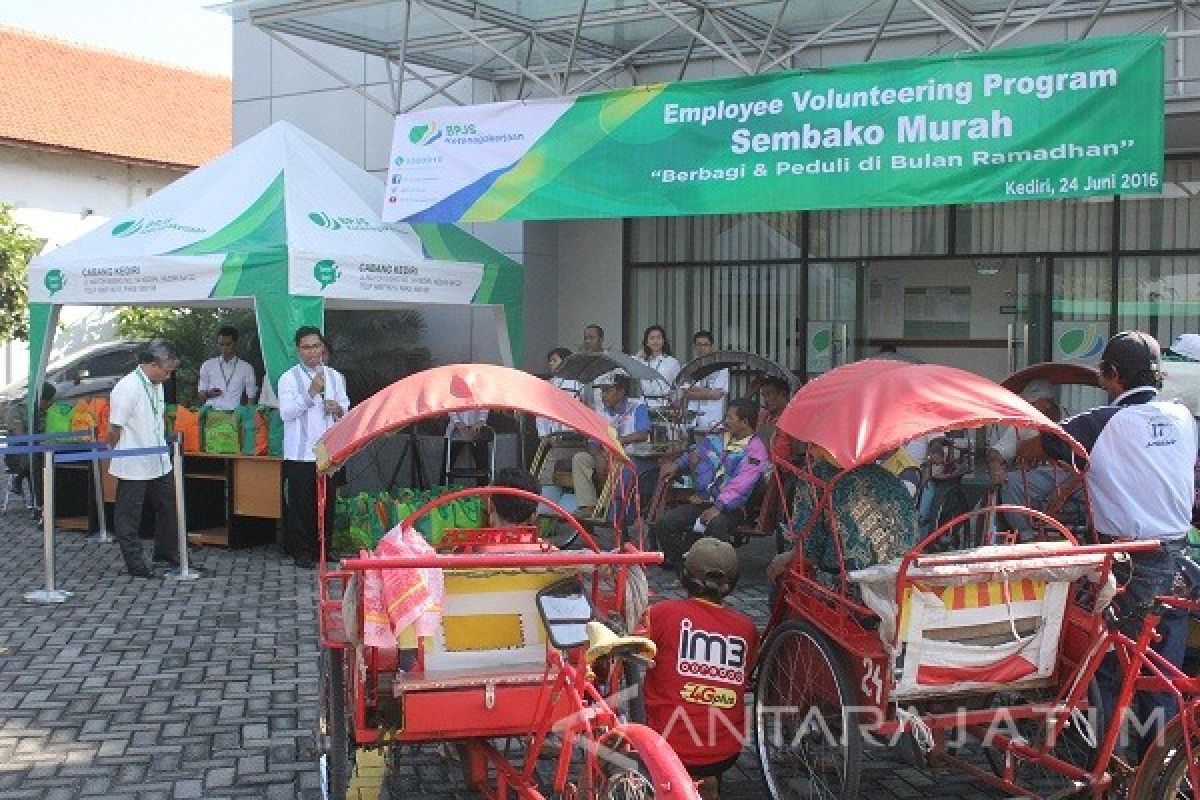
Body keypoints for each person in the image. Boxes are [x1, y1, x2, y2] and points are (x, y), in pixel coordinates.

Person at [1016, 331, 1197, 758]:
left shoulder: (1097, 424)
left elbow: (1031, 448)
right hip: (1178, 559)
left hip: (1129, 562)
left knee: (1106, 663)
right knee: (1159, 667)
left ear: (1111, 376)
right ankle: (1159, 765)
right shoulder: (1183, 417)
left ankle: (1103, 760)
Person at [639, 537, 759, 800]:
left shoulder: (661, 614)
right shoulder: (747, 629)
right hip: (725, 753)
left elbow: (632, 651)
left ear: (684, 576)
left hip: (668, 745)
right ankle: (707, 783)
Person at [651, 398, 769, 568]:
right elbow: (697, 453)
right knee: (665, 523)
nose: (725, 421)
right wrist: (676, 465)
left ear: (744, 422)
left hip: (734, 508)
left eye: (730, 418)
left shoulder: (755, 450)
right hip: (704, 501)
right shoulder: (718, 439)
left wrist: (718, 507)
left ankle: (718, 570)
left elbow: (742, 484)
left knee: (716, 524)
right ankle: (685, 565)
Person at [107, 340, 186, 578]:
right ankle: (135, 563)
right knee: (129, 514)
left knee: (169, 506)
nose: (168, 375)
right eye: (166, 370)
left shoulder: (156, 384)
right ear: (152, 364)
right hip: (133, 461)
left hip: (159, 458)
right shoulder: (127, 387)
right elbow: (114, 428)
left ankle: (166, 554)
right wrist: (114, 451)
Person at [278, 326, 350, 569]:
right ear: (298, 350)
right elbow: (286, 413)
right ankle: (302, 551)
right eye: (306, 347)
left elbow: (346, 409)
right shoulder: (288, 378)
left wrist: (337, 409)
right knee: (301, 503)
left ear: (323, 348)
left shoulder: (335, 376)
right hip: (299, 452)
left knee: (327, 501)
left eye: (316, 346)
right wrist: (310, 395)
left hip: (327, 450)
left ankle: (324, 547)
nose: (312, 352)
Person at [571, 373, 649, 518]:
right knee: (580, 458)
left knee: (617, 465)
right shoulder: (601, 412)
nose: (603, 395)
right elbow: (593, 441)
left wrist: (618, 442)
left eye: (607, 391)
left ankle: (609, 509)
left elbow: (642, 434)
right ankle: (588, 505)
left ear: (621, 391)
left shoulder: (638, 406)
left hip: (630, 456)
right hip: (607, 455)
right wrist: (598, 456)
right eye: (602, 391)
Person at [3, 382, 56, 505]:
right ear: (40, 399)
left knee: (41, 460)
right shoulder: (17, 410)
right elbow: (18, 435)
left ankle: (39, 501)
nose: (50, 404)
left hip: (39, 454)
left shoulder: (47, 413)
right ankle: (38, 503)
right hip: (16, 455)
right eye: (48, 401)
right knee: (35, 458)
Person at [197, 326, 257, 410]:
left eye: (228, 344)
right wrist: (208, 394)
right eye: (221, 344)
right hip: (210, 412)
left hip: (233, 414)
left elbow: (251, 397)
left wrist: (245, 416)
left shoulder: (246, 368)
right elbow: (201, 394)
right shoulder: (207, 365)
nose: (224, 348)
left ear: (235, 344)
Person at [682, 331, 728, 437]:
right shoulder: (688, 367)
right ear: (694, 347)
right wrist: (710, 393)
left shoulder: (722, 368)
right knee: (693, 450)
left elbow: (718, 394)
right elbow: (686, 393)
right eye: (699, 344)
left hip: (712, 418)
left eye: (705, 345)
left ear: (711, 346)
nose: (702, 347)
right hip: (693, 418)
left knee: (711, 451)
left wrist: (695, 390)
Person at [632, 325, 680, 407]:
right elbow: (624, 370)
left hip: (665, 405)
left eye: (659, 337)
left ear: (663, 341)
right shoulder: (641, 362)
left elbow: (679, 386)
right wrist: (637, 356)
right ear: (646, 343)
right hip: (644, 404)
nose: (655, 341)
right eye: (652, 338)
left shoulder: (672, 362)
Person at [444, 408, 492, 486]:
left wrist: (481, 421)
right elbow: (450, 405)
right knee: (447, 465)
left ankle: (483, 493)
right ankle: (445, 493)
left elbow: (485, 403)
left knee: (483, 467)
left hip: (478, 431)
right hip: (454, 431)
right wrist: (457, 422)